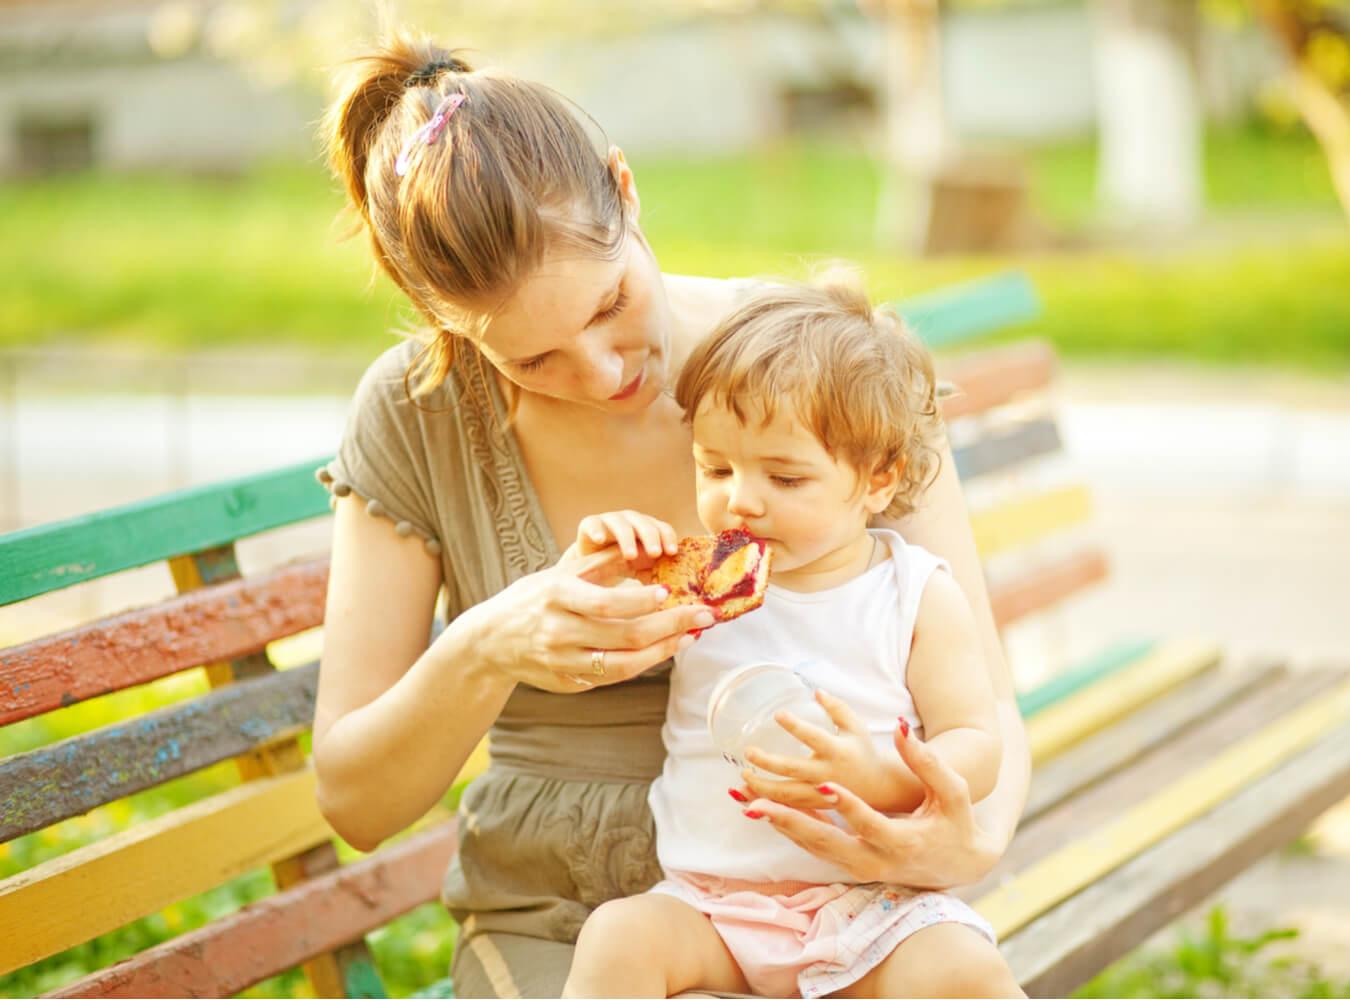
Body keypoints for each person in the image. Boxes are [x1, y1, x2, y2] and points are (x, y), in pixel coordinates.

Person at [311, 30, 1032, 999]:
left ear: (627, 189)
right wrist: (492, 643)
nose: (602, 373)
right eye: (531, 359)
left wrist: (951, 842)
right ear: (448, 324)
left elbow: (985, 707)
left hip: (846, 895)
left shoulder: (820, 374)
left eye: (611, 303)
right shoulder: (416, 415)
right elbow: (354, 799)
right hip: (572, 919)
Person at [560, 278, 1023, 999]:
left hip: (873, 909)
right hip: (713, 904)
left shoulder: (912, 593)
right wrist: (604, 570)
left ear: (877, 478)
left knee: (962, 969)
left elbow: (977, 741)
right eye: (715, 467)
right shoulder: (698, 581)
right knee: (618, 938)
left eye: (785, 475)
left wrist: (886, 776)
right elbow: (593, 644)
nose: (741, 499)